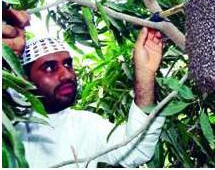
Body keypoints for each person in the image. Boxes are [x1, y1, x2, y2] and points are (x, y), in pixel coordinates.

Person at [2, 9, 165, 167]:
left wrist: (144, 74)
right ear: (25, 78)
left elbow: (136, 150)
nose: (66, 75)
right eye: (49, 68)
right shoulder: (7, 120)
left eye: (68, 64)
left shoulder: (85, 125)